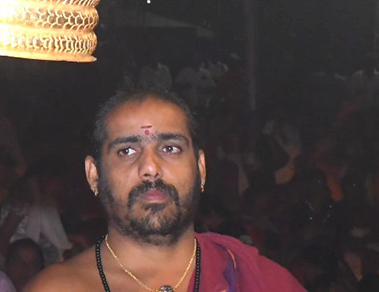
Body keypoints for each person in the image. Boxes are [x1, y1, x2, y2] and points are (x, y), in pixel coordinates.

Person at [27, 87, 305, 292]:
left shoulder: (263, 281)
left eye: (170, 148)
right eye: (127, 151)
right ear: (94, 175)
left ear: (201, 168)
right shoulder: (58, 288)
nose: (150, 167)